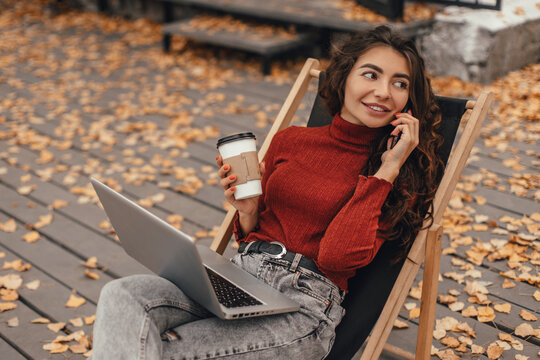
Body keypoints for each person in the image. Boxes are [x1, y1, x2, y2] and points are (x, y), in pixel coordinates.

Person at [91, 25, 443, 360]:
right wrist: (247, 211)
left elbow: (337, 258)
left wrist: (386, 170)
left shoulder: (398, 173)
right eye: (371, 74)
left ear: (408, 101)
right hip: (240, 276)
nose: (384, 91)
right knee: (123, 295)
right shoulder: (291, 140)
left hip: (302, 310)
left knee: (163, 351)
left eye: (400, 83)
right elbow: (254, 235)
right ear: (345, 76)